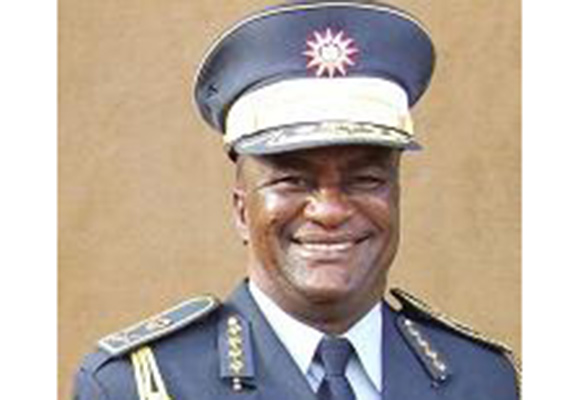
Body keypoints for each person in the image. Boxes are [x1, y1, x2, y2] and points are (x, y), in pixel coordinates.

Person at [73, 1, 520, 399]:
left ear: (396, 196)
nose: (330, 211)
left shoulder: (483, 381)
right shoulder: (141, 387)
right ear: (241, 210)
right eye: (292, 180)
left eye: (365, 180)